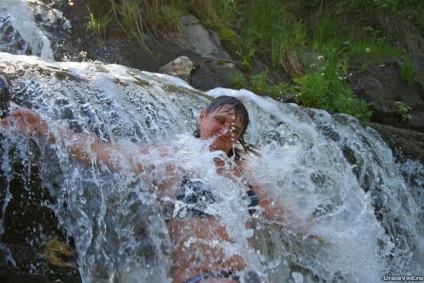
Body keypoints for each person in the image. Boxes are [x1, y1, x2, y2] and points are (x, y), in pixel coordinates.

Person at [1, 95, 310, 283]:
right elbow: (108, 153)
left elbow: (284, 216)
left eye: (235, 128)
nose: (227, 130)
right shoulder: (172, 158)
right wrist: (46, 128)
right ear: (202, 117)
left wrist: (326, 237)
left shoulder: (242, 176)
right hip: (201, 277)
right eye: (221, 120)